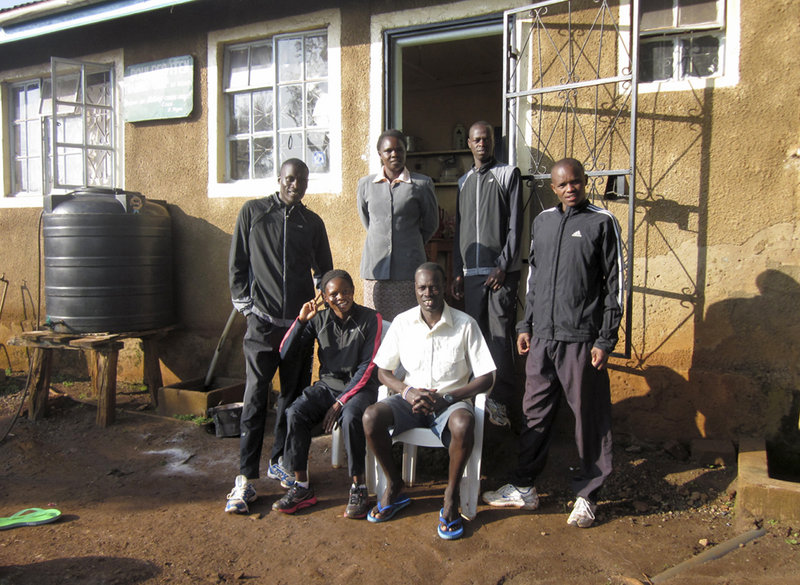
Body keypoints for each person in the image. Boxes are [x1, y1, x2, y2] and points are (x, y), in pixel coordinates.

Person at [482, 158, 623, 528]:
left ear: (585, 182)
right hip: (542, 337)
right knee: (534, 413)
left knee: (588, 418)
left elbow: (614, 287)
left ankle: (587, 495)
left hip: (582, 339)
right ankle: (525, 486)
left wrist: (605, 339)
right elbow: (534, 276)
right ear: (554, 189)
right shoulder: (543, 222)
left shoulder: (601, 222)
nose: (570, 188)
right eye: (562, 185)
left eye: (576, 182)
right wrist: (525, 324)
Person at [225, 158, 333, 514]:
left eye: (301, 180)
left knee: (292, 398)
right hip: (262, 325)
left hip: (298, 326)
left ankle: (281, 462)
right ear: (279, 179)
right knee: (255, 398)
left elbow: (324, 271)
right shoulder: (253, 213)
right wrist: (246, 307)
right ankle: (244, 479)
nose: (295, 185)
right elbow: (238, 263)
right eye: (290, 179)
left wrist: (321, 304)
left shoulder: (311, 223)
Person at [363, 262, 496, 539]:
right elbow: (383, 372)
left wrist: (447, 398)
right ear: (415, 289)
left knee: (463, 422)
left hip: (450, 402)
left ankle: (450, 497)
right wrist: (407, 391)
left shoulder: (465, 324)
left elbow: (486, 377)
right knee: (371, 417)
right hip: (410, 400)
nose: (428, 292)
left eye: (434, 286)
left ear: (445, 287)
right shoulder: (402, 322)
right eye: (422, 287)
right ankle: (395, 485)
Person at [272, 269, 383, 518]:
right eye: (334, 293)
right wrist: (301, 321)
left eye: (346, 291)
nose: (341, 297)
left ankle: (358, 486)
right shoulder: (317, 320)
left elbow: (368, 366)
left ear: (353, 291)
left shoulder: (371, 318)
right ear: (324, 296)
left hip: (361, 388)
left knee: (352, 416)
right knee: (295, 412)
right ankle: (301, 486)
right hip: (328, 386)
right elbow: (285, 353)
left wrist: (341, 402)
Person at [451, 121, 523, 428]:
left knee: (499, 339)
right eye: (477, 140)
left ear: (494, 142)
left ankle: (505, 403)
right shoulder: (463, 181)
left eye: (487, 139)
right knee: (474, 339)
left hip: (499, 275)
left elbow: (517, 225)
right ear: (468, 143)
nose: (482, 144)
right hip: (471, 276)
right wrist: (457, 271)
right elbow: (458, 230)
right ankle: (480, 401)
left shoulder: (508, 175)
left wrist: (503, 265)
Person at [357, 129, 439, 321]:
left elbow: (431, 223)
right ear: (380, 155)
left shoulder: (421, 184)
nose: (394, 154)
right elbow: (367, 222)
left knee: (408, 324)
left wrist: (408, 242)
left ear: (406, 152)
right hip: (375, 269)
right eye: (388, 151)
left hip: (408, 269)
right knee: (377, 325)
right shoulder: (365, 185)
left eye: (399, 150)